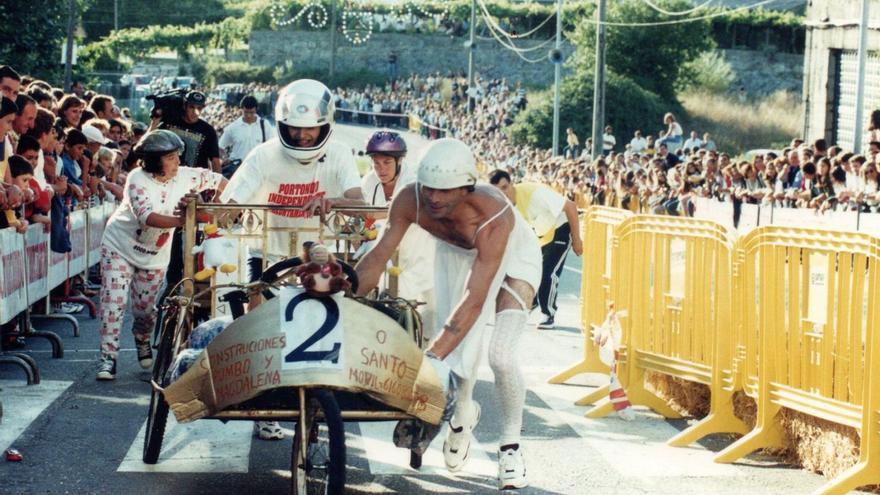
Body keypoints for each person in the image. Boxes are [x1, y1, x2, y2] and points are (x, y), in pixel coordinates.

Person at [355, 138, 541, 490]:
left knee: (499, 355)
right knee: (457, 350)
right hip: (457, 253)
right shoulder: (410, 198)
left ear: (468, 187)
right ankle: (463, 415)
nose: (435, 199)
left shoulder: (493, 213)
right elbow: (378, 257)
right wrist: (344, 304)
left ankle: (510, 448)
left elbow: (474, 299)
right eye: (429, 189)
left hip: (513, 254)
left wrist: (429, 363)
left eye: (446, 191)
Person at [220, 79, 364, 441]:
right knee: (259, 323)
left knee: (322, 325)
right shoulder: (265, 154)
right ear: (282, 125)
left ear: (325, 125)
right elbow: (231, 200)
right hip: (266, 249)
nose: (302, 138)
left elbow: (359, 201)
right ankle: (262, 402)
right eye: (295, 130)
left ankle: (316, 402)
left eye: (310, 130)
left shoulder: (341, 152)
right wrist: (224, 212)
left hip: (317, 254)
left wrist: (333, 203)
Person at [96, 130, 227, 380]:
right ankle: (108, 358)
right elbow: (148, 217)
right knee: (114, 302)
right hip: (120, 246)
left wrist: (215, 208)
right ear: (155, 160)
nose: (178, 161)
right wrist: (186, 219)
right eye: (170, 157)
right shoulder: (137, 178)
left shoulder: (186, 176)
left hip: (154, 255)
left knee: (145, 310)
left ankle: (142, 337)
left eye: (177, 156)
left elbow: (220, 180)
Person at [360, 130, 436, 338]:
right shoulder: (369, 181)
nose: (380, 169)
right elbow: (367, 215)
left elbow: (400, 212)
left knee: (431, 310)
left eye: (386, 163)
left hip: (420, 249)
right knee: (388, 299)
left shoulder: (413, 181)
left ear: (399, 161)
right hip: (389, 249)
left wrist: (368, 214)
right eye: (376, 163)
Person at [489, 169, 583, 329]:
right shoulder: (501, 205)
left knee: (548, 274)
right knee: (526, 271)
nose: (503, 193)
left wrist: (577, 240)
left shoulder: (534, 194)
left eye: (505, 187)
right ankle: (530, 303)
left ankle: (548, 313)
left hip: (561, 229)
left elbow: (571, 206)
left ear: (512, 184)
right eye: (498, 191)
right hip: (541, 236)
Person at [218, 95, 274, 174]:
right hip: (237, 169)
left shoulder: (265, 125)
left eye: (251, 112)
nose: (248, 115)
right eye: (246, 112)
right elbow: (220, 146)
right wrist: (224, 158)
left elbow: (271, 146)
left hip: (258, 168)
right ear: (241, 109)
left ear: (256, 109)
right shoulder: (233, 127)